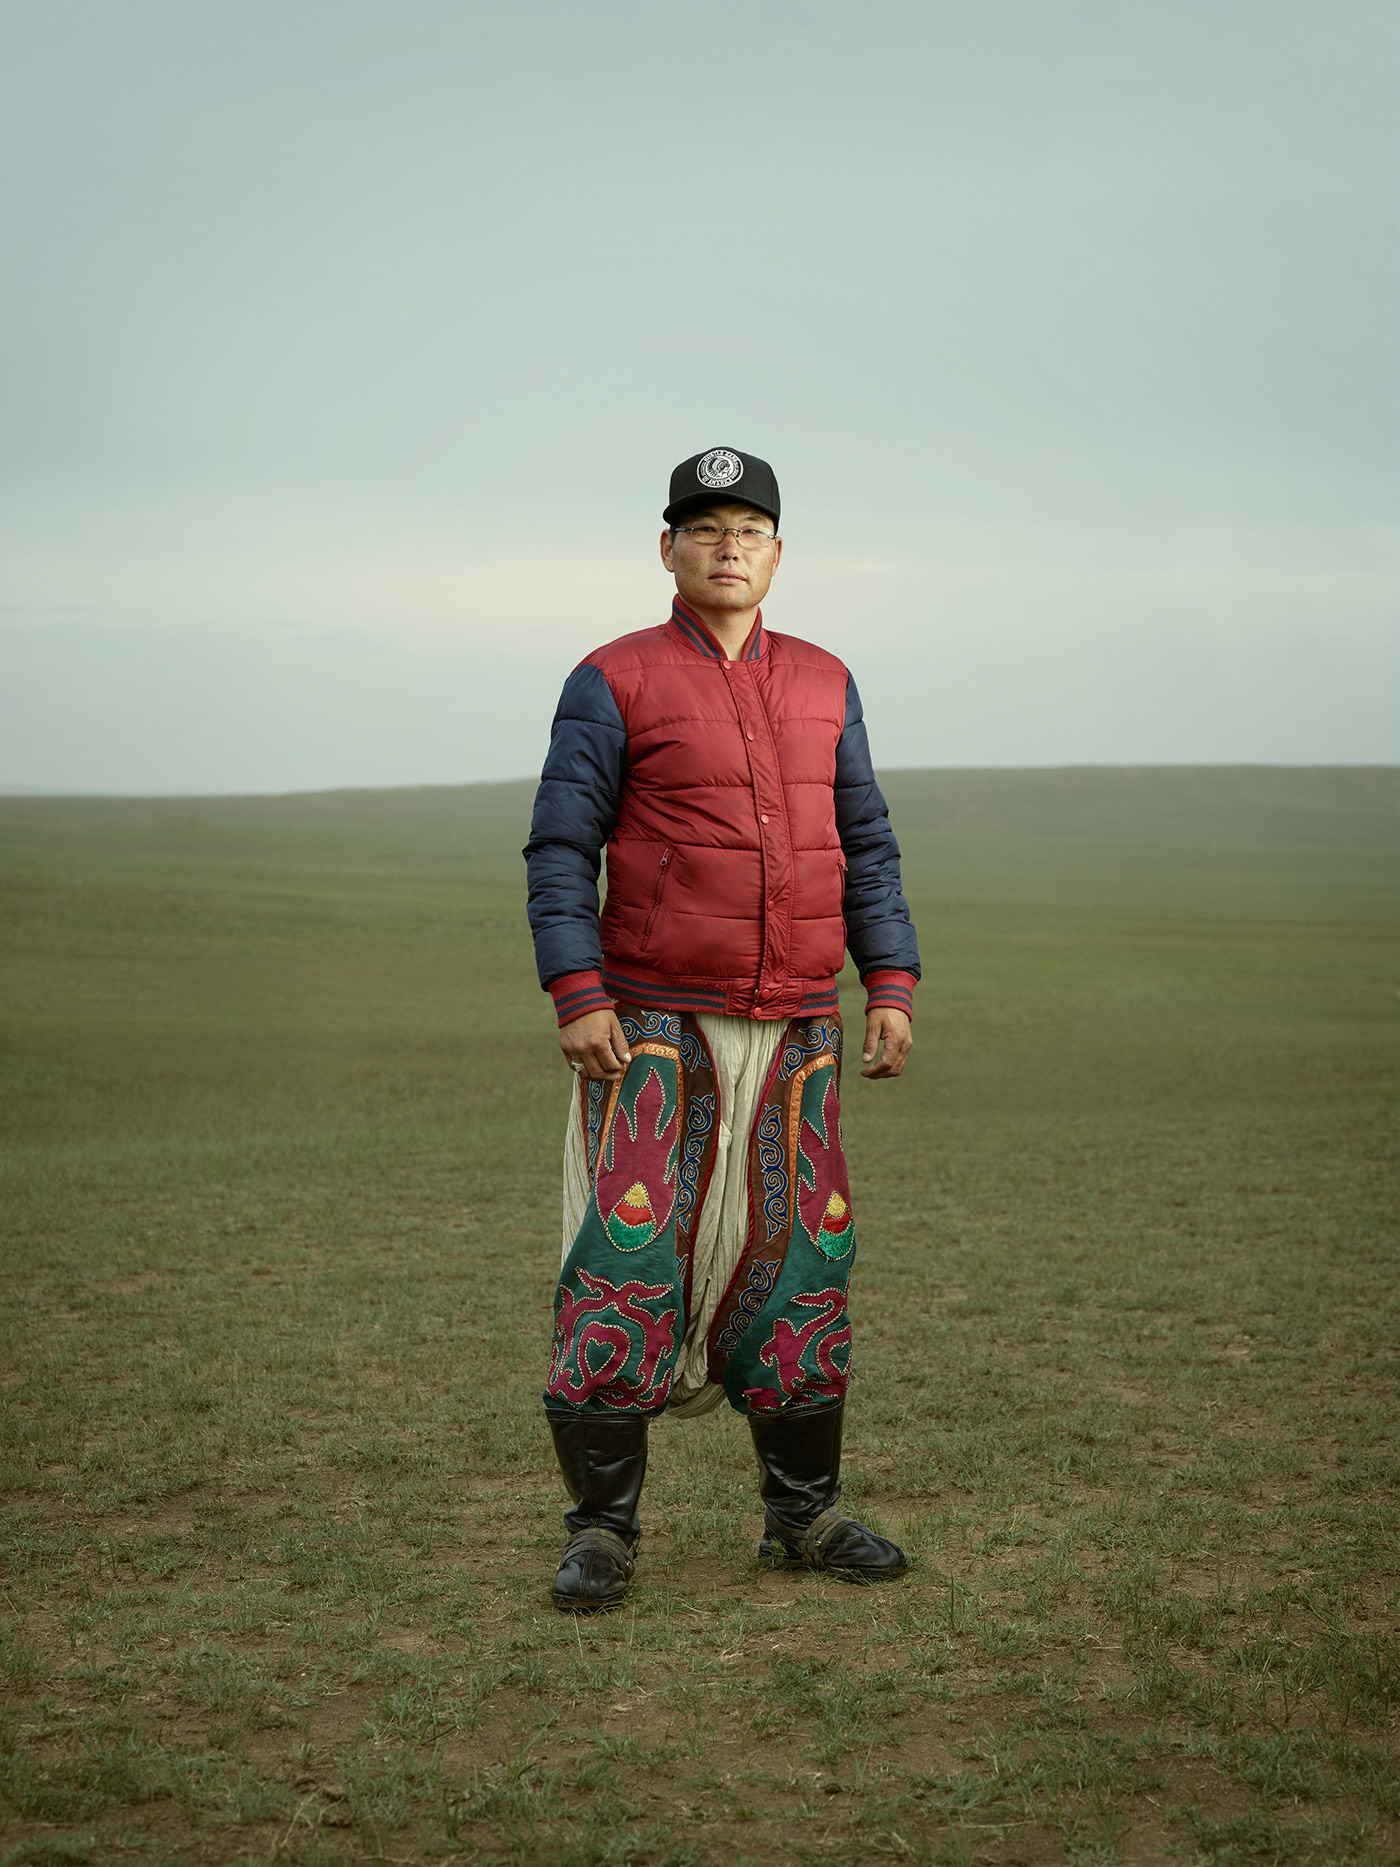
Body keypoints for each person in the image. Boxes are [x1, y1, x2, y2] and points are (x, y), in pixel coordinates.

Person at [524, 447, 920, 1612]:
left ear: (777, 554)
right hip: (650, 1023)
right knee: (624, 1260)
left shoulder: (826, 682)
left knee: (805, 1260)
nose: (726, 545)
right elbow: (560, 849)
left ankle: (802, 1515)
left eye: (747, 527)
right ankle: (601, 1530)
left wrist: (887, 981)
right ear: (667, 550)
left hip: (797, 1022)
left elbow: (867, 846)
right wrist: (577, 992)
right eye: (701, 527)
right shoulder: (613, 678)